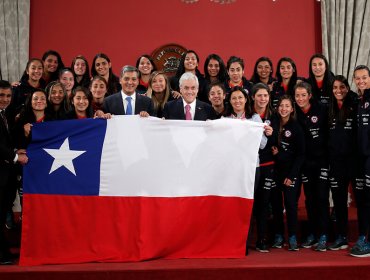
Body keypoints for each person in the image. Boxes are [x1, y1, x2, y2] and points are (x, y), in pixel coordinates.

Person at [294, 82, 330, 251]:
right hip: (305, 164)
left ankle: (323, 234)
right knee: (310, 199)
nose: (300, 98)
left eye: (303, 95)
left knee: (322, 198)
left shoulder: (322, 109)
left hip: (322, 161)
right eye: (297, 95)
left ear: (309, 96)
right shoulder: (294, 113)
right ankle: (313, 234)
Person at [270, 95, 305, 251]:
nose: (283, 109)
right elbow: (270, 146)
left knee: (290, 205)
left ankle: (292, 236)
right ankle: (278, 235)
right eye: (281, 106)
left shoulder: (296, 127)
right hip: (275, 172)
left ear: (292, 109)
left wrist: (292, 176)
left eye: (287, 106)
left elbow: (300, 154)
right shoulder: (274, 123)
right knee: (276, 206)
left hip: (290, 174)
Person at [327, 75, 357, 251]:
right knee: (338, 201)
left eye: (342, 87)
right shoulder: (329, 106)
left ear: (347, 87)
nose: (338, 91)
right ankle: (342, 237)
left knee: (362, 200)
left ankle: (364, 236)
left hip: (354, 162)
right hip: (336, 163)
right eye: (335, 87)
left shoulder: (355, 102)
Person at [0, 80, 28, 265]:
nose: (5, 99)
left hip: (6, 175)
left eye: (8, 95)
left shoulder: (6, 114)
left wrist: (16, 150)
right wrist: (17, 157)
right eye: (1, 95)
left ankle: (4, 253)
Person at [250, 83, 277, 252]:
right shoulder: (247, 116)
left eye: (265, 96)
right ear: (253, 97)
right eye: (259, 95)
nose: (262, 99)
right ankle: (244, 239)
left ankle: (262, 239)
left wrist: (272, 136)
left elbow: (277, 143)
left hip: (267, 165)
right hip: (250, 165)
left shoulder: (273, 116)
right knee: (249, 202)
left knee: (264, 203)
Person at [350, 65, 370, 257]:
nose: (361, 81)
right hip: (359, 160)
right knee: (362, 201)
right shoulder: (358, 100)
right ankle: (363, 236)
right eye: (357, 78)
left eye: (364, 77)